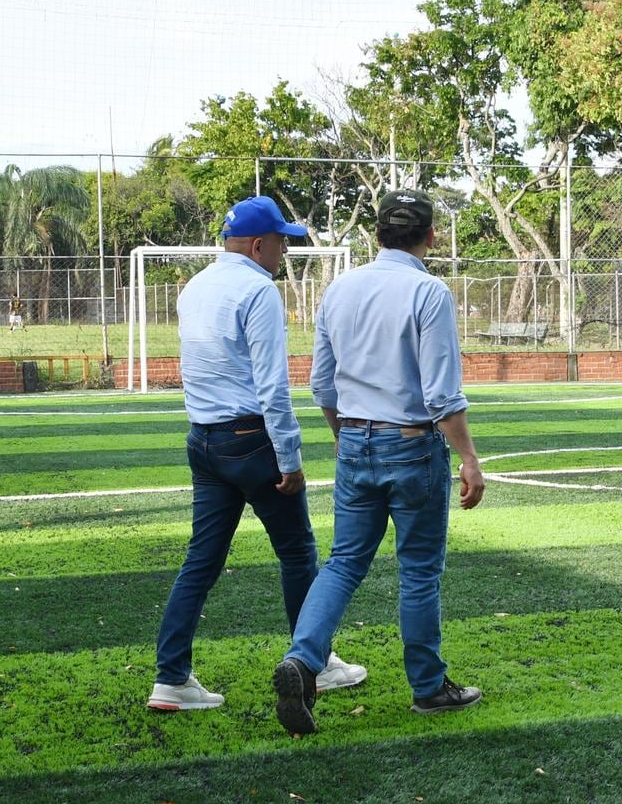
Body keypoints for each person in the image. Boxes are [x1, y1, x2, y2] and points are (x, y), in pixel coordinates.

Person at [272, 188, 486, 737]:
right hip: (412, 446)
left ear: (377, 234)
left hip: (356, 443)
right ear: (430, 235)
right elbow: (441, 394)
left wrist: (345, 436)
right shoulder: (428, 291)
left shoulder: (339, 289)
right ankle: (429, 687)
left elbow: (322, 382)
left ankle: (303, 660)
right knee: (417, 570)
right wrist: (468, 456)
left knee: (343, 562)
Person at [147, 196, 366, 711]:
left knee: (200, 560)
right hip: (251, 440)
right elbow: (273, 387)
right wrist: (289, 458)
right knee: (297, 552)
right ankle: (314, 661)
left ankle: (170, 677)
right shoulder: (258, 292)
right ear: (259, 244)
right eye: (283, 242)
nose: (285, 252)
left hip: (203, 438)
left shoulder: (195, 287)